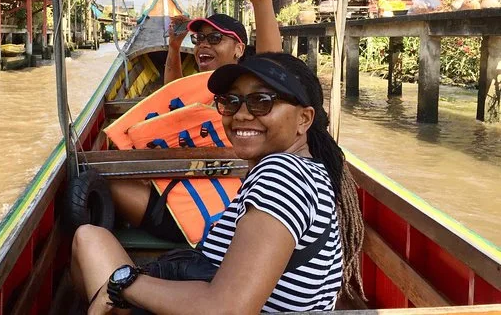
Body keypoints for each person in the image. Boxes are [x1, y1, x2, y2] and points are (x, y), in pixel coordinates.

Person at [72, 52, 364, 314]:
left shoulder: (282, 174)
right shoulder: (310, 170)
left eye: (262, 102)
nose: (242, 114)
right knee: (91, 239)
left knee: (89, 241)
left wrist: (121, 284)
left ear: (304, 119)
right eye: (231, 102)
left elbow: (228, 309)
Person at [109, 0, 283, 243]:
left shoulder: (252, 87)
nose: (203, 45)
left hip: (237, 205)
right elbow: (172, 96)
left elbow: (274, 64)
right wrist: (175, 47)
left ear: (239, 49)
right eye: (199, 39)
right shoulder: (199, 87)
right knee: (106, 180)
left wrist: (261, 0)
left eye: (215, 39)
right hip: (179, 200)